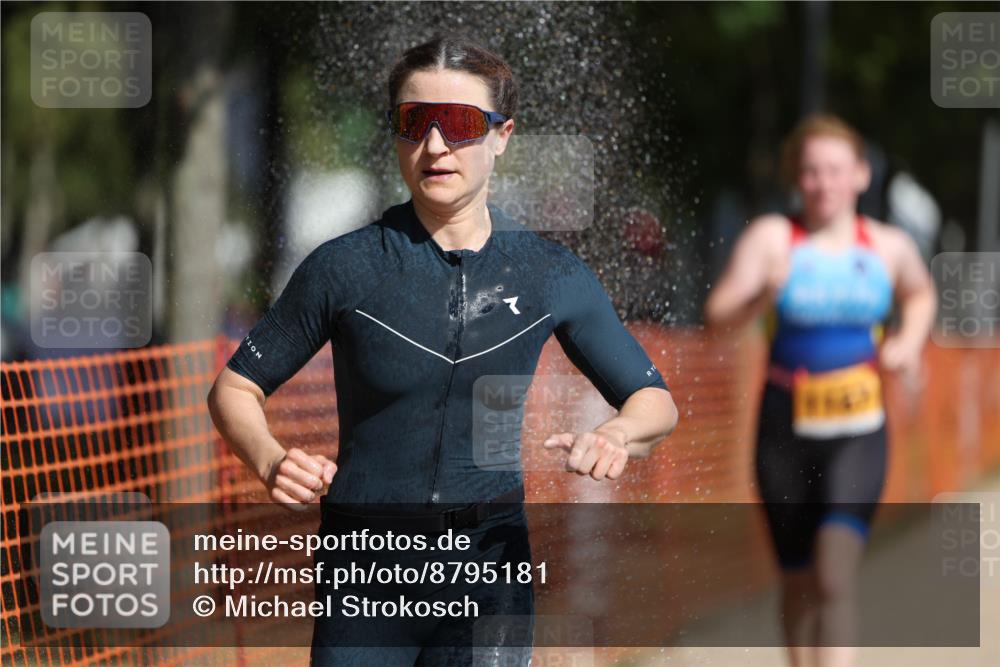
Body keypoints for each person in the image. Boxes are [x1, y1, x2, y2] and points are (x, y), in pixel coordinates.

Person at [208, 33, 678, 666]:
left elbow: (654, 402)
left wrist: (619, 434)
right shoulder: (343, 268)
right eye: (413, 123)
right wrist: (267, 459)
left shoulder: (550, 273)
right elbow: (235, 387)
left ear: (502, 135)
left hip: (492, 568)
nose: (434, 146)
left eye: (458, 124)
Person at [704, 114, 936, 667]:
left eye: (835, 170)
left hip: (859, 429)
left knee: (833, 576)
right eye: (810, 172)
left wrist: (908, 340)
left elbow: (921, 295)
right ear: (796, 178)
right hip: (784, 426)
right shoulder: (772, 239)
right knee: (798, 576)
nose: (823, 183)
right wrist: (762, 292)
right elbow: (718, 317)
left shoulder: (888, 246)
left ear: (859, 175)